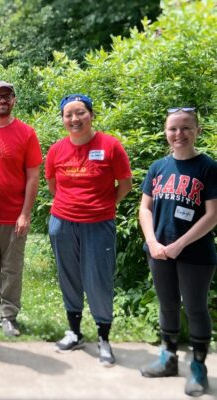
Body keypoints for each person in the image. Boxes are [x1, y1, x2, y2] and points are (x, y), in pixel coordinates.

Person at [46, 94, 132, 367]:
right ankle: (74, 332)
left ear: (91, 115)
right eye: (68, 114)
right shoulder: (57, 150)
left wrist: (104, 205)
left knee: (98, 279)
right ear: (62, 119)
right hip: (62, 223)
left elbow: (125, 183)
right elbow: (52, 183)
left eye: (80, 112)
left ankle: (104, 338)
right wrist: (69, 206)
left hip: (99, 224)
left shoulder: (110, 146)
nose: (74, 119)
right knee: (69, 276)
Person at [138, 107, 216, 397]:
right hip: (158, 251)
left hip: (195, 254)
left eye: (186, 128)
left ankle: (198, 366)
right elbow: (145, 208)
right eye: (173, 128)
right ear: (165, 132)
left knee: (195, 307)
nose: (179, 134)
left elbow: (213, 215)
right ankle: (168, 357)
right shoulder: (158, 167)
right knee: (167, 304)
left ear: (197, 131)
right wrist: (154, 242)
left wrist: (179, 244)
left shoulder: (208, 167)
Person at [0, 81, 42, 337]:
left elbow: (33, 177)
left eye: (7, 96)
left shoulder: (26, 133)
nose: (2, 100)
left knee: (12, 267)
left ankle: (8, 315)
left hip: (14, 213)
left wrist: (25, 213)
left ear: (14, 100)